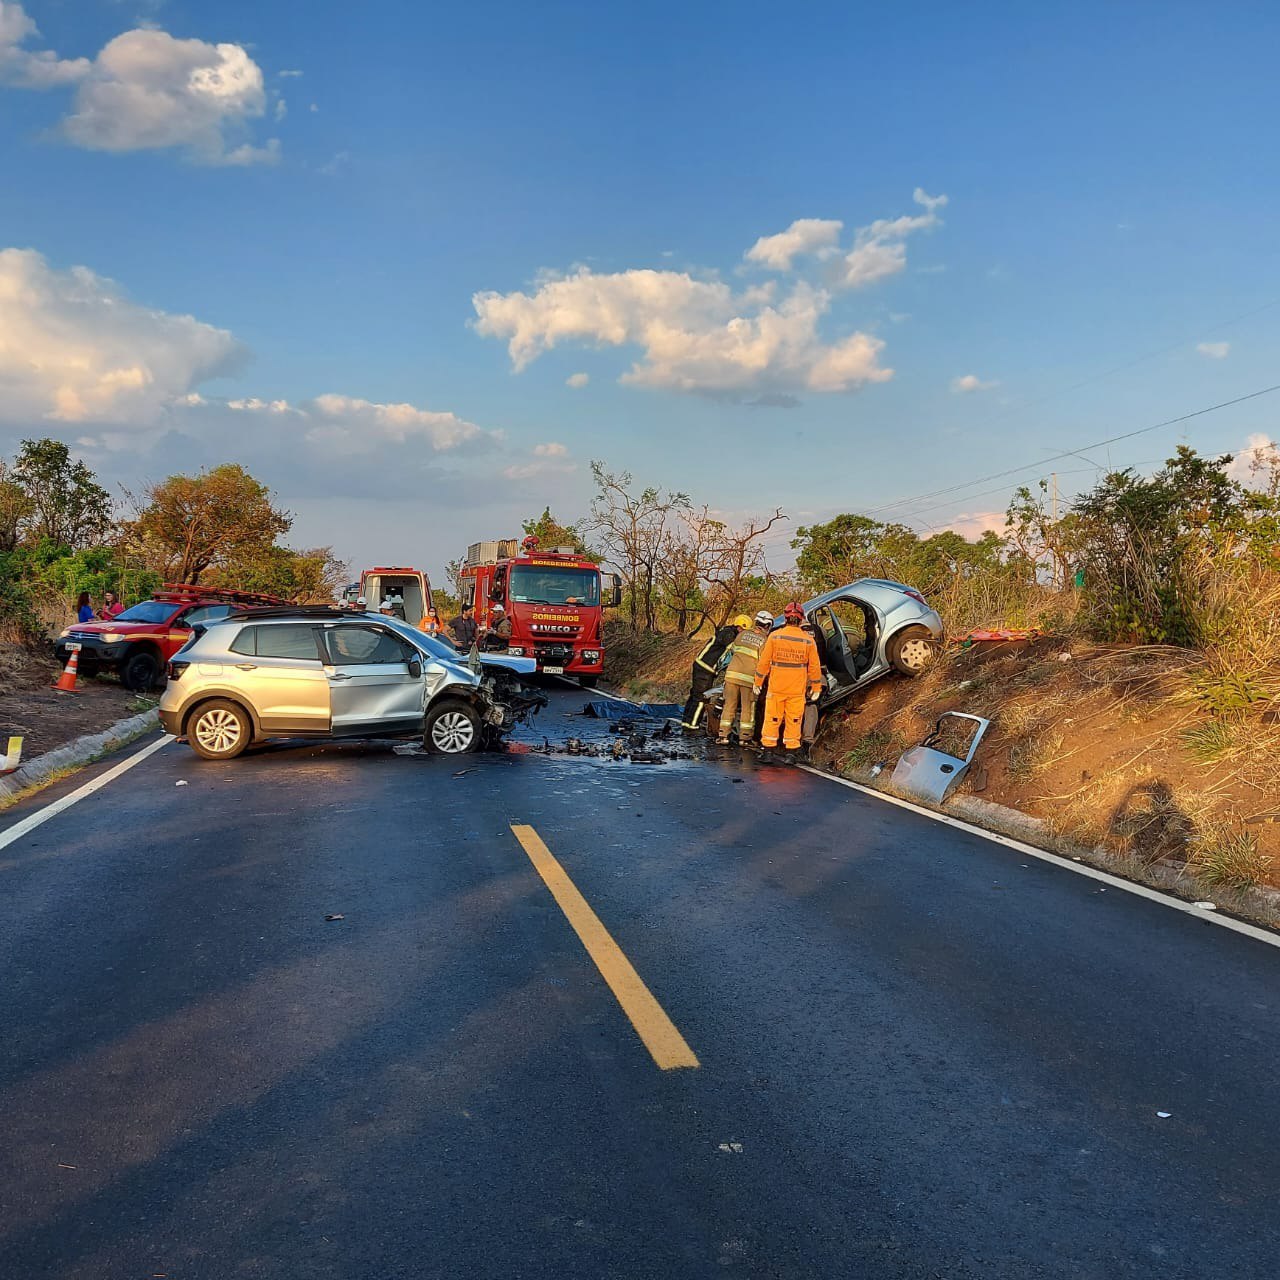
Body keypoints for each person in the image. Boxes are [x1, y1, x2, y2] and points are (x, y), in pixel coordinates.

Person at [753, 601, 822, 764]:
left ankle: (768, 752)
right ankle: (791, 755)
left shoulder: (775, 636)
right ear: (801, 619)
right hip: (796, 689)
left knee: (772, 719)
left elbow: (764, 662)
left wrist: (758, 681)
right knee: (794, 720)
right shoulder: (808, 641)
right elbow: (814, 666)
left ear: (785, 618)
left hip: (777, 687)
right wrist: (816, 687)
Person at [717, 612, 770, 746]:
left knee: (729, 705)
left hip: (731, 676)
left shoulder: (741, 635)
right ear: (768, 625)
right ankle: (744, 738)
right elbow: (764, 662)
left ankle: (723, 736)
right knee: (748, 708)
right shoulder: (764, 640)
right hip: (749, 679)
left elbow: (731, 652)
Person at [681, 618, 740, 733]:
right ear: (740, 627)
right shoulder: (729, 635)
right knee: (702, 698)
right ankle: (693, 727)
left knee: (694, 695)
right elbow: (735, 649)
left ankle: (686, 723)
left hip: (702, 666)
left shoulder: (725, 631)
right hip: (706, 669)